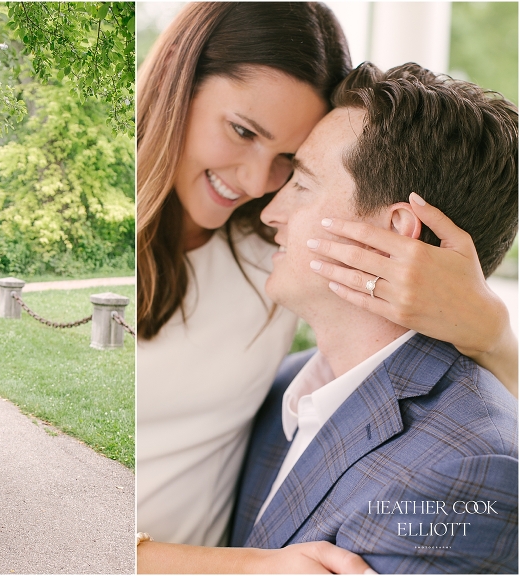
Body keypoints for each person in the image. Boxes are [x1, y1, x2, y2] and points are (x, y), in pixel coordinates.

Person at [136, 1, 518, 552]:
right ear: (179, 76)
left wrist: (493, 333)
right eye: (242, 130)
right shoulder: (289, 376)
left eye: (292, 168)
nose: (259, 188)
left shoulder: (262, 253)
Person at [243, 62, 516, 572]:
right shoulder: (281, 386)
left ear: (396, 232)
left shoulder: (471, 469)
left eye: (301, 184)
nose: (269, 212)